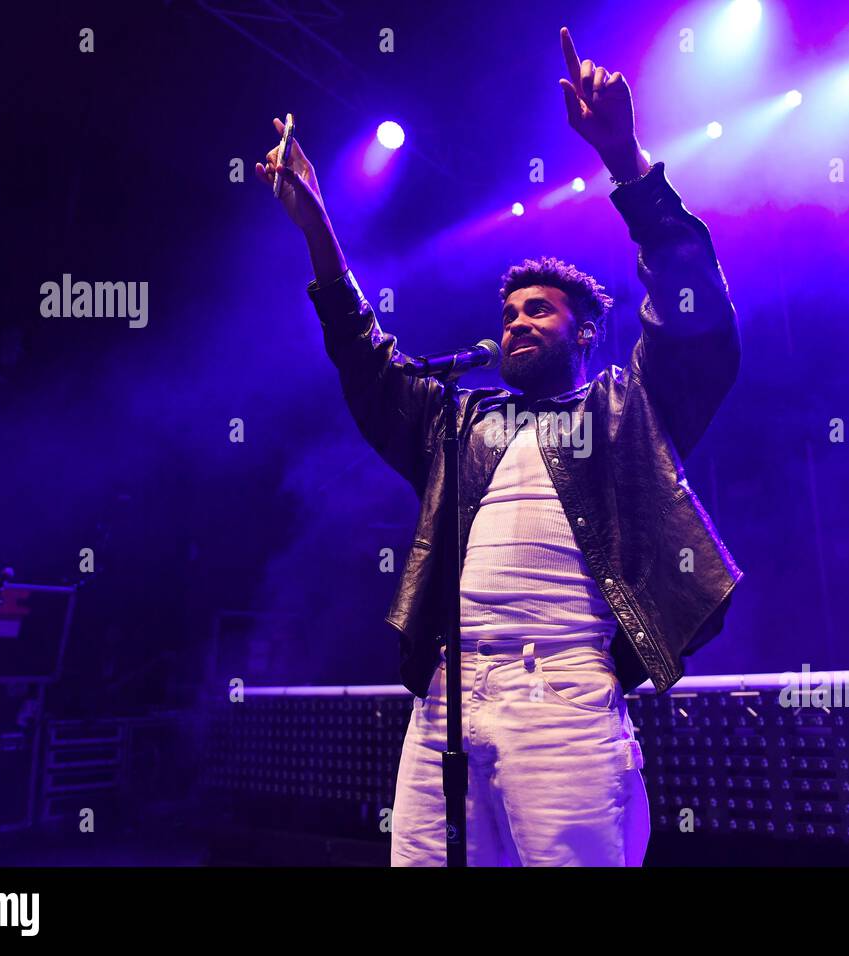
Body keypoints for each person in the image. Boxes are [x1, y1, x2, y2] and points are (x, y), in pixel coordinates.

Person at [257, 27, 742, 866]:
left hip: (562, 696)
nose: (516, 321)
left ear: (586, 332)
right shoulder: (459, 420)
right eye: (510, 312)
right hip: (445, 698)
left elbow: (698, 320)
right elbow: (368, 363)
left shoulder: (628, 408)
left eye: (540, 311)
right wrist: (319, 233)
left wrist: (626, 160)